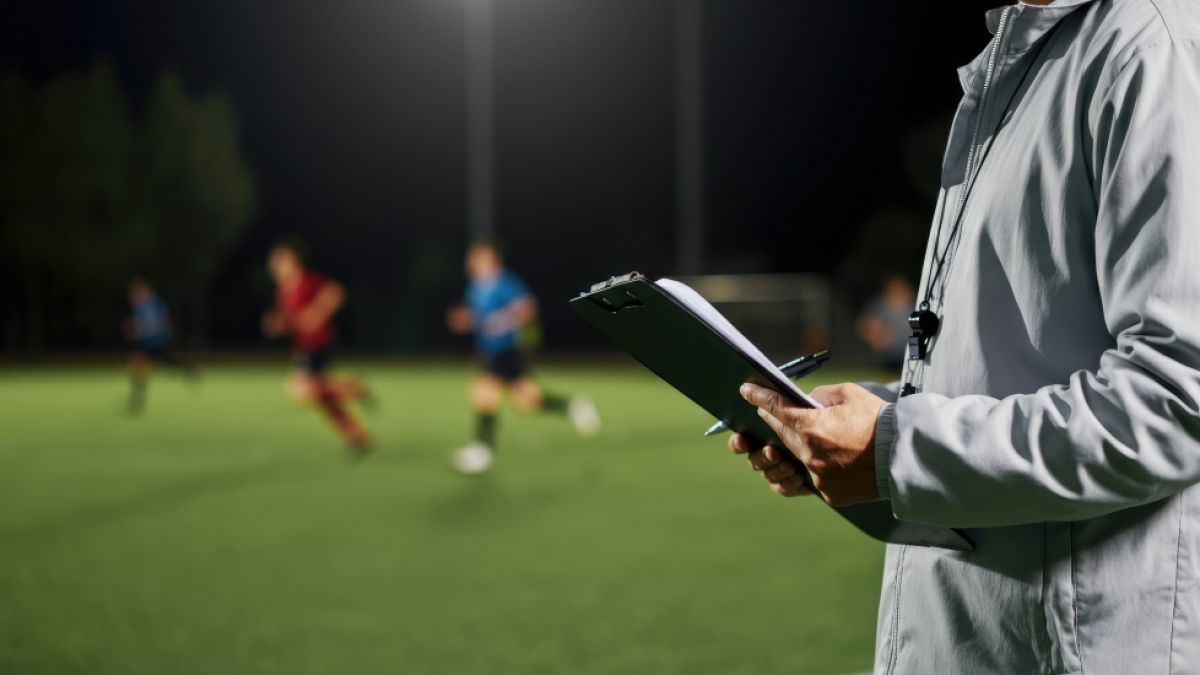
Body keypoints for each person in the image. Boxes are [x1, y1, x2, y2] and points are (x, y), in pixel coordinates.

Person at [730, 1, 1200, 673]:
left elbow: (1177, 399)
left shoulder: (1151, 47)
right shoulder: (1027, 58)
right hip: (975, 632)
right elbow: (1007, 362)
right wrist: (859, 424)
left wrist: (897, 447)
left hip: (1075, 648)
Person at [447, 239, 600, 474]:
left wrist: (504, 320)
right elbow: (479, 318)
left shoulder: (505, 282)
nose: (471, 261)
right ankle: (572, 406)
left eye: (476, 256)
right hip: (490, 353)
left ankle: (482, 451)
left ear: (491, 259)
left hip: (508, 351)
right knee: (528, 401)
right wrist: (464, 320)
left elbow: (528, 308)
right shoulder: (475, 288)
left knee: (483, 393)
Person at [262, 238, 372, 454]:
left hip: (318, 342)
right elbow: (294, 321)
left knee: (300, 391)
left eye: (280, 260)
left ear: (294, 261)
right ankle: (355, 433)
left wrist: (316, 314)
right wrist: (280, 324)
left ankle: (350, 387)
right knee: (320, 397)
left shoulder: (306, 281)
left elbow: (335, 292)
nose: (275, 265)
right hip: (303, 346)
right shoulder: (283, 291)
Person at [123, 277, 196, 413]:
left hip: (157, 340)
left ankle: (188, 369)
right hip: (145, 342)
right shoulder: (138, 305)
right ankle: (137, 398)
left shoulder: (154, 303)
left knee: (167, 361)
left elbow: (158, 323)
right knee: (138, 364)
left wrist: (139, 331)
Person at [854, 276, 914, 372]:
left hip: (913, 351)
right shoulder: (878, 307)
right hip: (890, 356)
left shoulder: (916, 304)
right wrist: (878, 336)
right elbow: (863, 327)